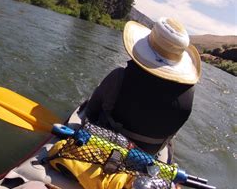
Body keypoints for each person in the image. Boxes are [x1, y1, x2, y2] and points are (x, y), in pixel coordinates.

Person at [84, 17, 201, 156]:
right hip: (146, 157)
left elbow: (90, 112)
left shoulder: (119, 77)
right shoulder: (189, 95)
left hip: (103, 145)